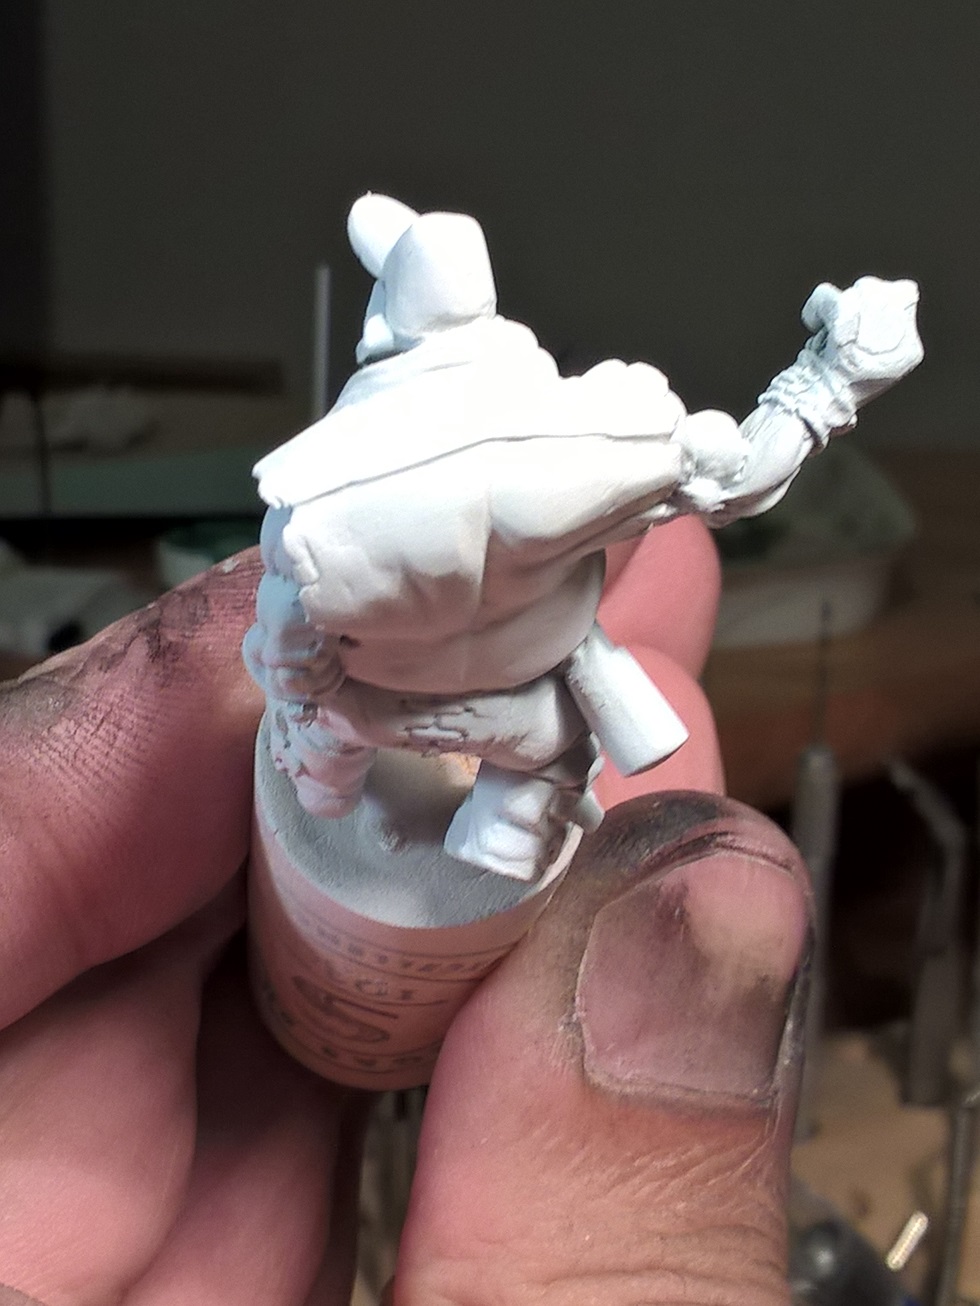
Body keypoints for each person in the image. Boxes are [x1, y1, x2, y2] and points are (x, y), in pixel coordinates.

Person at [0, 513, 810, 1305]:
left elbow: (615, 713)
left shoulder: (534, 643)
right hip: (366, 785)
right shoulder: (350, 648)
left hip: (500, 784)